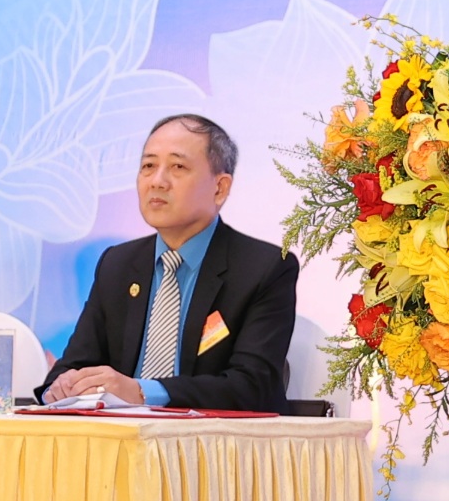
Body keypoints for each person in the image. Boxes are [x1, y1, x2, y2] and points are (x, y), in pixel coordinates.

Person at [41, 113, 298, 412]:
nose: (157, 181)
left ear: (220, 188)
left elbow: (252, 386)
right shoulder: (117, 264)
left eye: (178, 167)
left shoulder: (264, 268)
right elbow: (73, 367)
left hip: (211, 438)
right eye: (148, 166)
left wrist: (143, 392)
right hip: (120, 436)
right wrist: (62, 387)